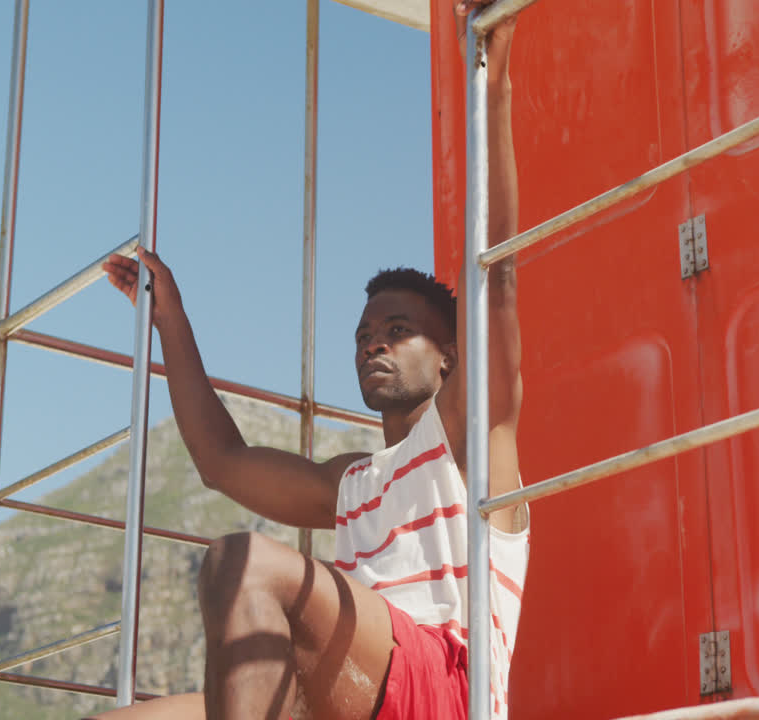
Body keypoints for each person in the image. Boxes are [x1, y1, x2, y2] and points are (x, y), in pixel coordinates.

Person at [91, 2, 523, 718]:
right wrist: (170, 318)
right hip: (351, 680)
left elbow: (498, 277)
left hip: (446, 684)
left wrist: (494, 76)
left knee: (242, 562)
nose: (373, 343)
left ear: (449, 355)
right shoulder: (351, 486)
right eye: (362, 335)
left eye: (396, 329)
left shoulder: (474, 442)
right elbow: (221, 461)